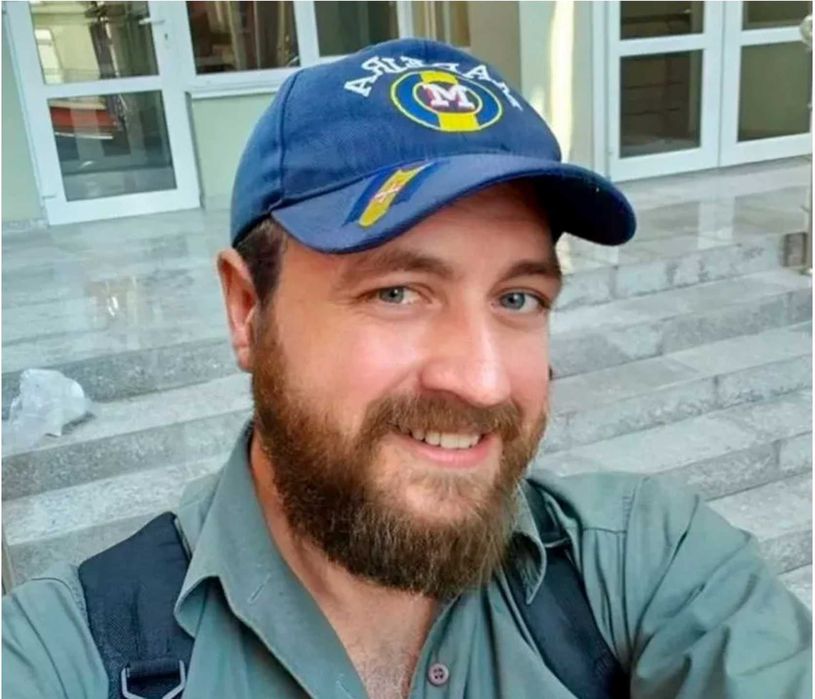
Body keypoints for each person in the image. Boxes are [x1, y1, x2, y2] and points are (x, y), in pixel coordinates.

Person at [3, 39, 811, 699]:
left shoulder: (645, 565)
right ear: (247, 309)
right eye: (396, 291)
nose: (483, 380)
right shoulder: (67, 655)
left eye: (518, 297)